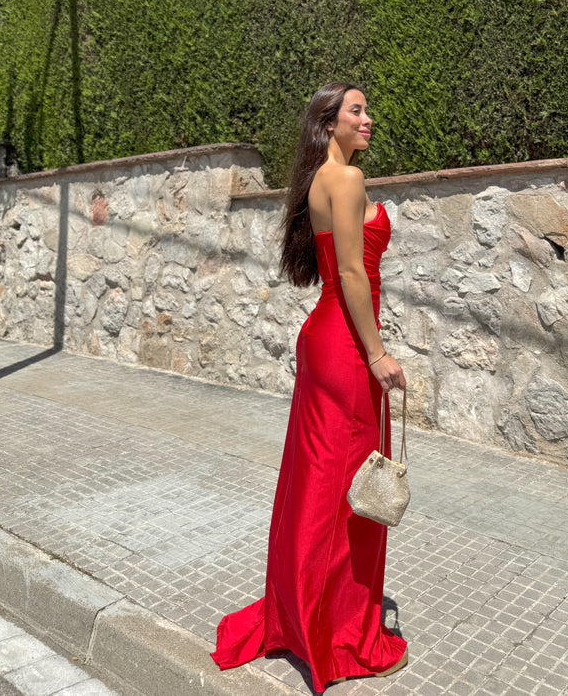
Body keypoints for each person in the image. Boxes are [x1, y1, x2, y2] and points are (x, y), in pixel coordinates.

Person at [212, 82, 408, 692]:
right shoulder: (343, 180)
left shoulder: (323, 179)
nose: (368, 119)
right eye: (356, 111)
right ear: (329, 123)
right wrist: (377, 354)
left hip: (328, 339)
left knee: (319, 485)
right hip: (347, 348)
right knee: (343, 491)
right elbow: (351, 270)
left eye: (366, 110)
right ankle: (338, 634)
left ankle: (303, 619)